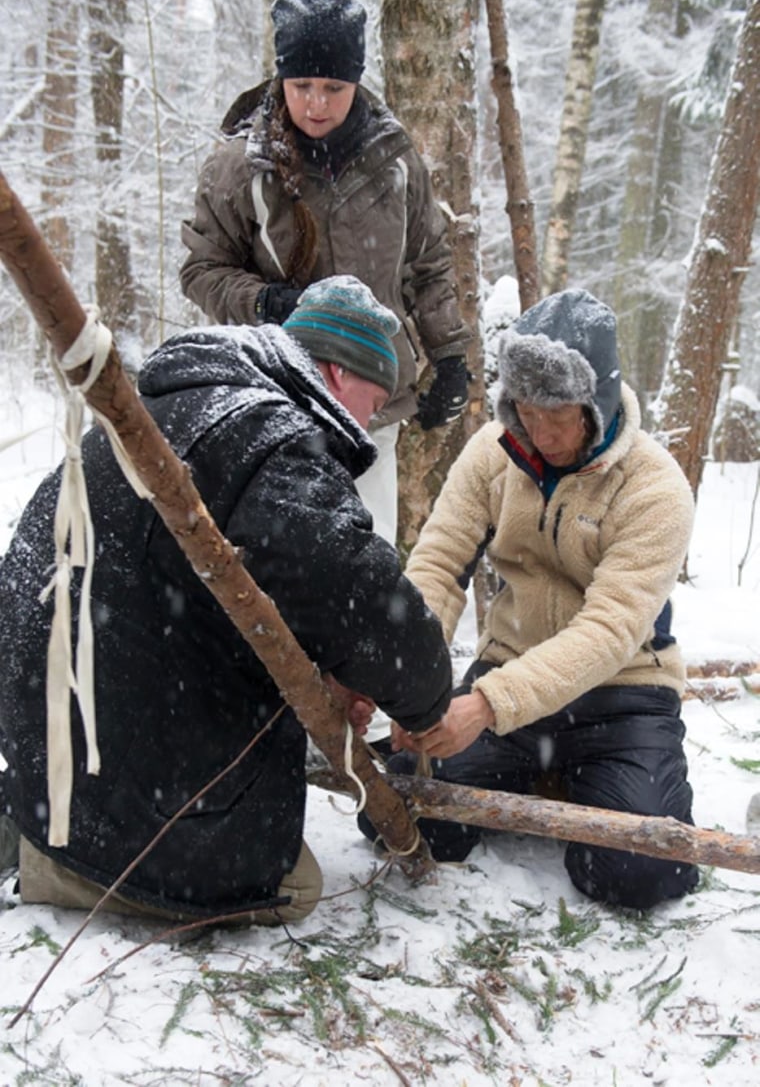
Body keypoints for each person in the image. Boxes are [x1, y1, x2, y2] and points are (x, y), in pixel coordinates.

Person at [0, 276, 452, 925]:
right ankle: (76, 867)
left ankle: (48, 827)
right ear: (333, 370)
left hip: (43, 738)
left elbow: (220, 578)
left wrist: (326, 671)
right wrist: (429, 699)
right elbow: (361, 599)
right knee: (292, 883)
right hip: (123, 781)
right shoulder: (271, 438)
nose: (368, 422)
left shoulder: (171, 403)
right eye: (371, 401)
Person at [362, 288, 700, 912]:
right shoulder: (491, 454)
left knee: (637, 873)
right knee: (401, 816)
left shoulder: (656, 489)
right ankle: (547, 773)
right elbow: (436, 567)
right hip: (509, 672)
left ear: (595, 403)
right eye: (525, 410)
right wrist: (407, 685)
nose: (540, 432)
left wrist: (487, 706)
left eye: (560, 415)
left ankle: (586, 774)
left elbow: (607, 633)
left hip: (622, 696)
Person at [179, 0, 472, 547]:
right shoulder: (241, 167)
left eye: (333, 87)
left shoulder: (394, 159)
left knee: (369, 552)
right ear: (280, 80)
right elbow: (201, 270)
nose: (316, 103)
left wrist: (450, 354)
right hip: (279, 395)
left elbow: (428, 261)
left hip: (372, 396)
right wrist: (267, 303)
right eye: (302, 85)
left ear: (356, 82)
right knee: (284, 560)